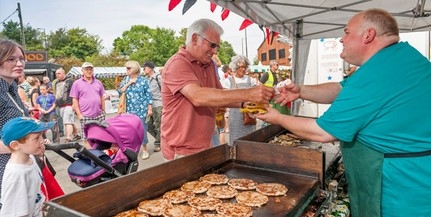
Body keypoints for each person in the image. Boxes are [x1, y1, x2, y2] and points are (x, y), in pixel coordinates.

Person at [256, 8, 431, 217]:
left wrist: (278, 118)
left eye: (347, 32)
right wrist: (301, 91)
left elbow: (322, 132)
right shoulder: (400, 57)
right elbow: (341, 89)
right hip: (417, 178)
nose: (341, 39)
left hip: (398, 189)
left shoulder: (376, 75)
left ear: (368, 35)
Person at [161, 18, 273, 161]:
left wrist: (246, 104)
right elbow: (198, 96)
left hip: (204, 145)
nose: (215, 51)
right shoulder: (178, 64)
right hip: (181, 151)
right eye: (212, 45)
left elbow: (221, 96)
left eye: (217, 47)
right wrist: (249, 93)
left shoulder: (208, 64)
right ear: (195, 38)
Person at [0, 117, 55, 216]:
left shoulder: (31, 158)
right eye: (37, 138)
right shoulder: (16, 175)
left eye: (42, 136)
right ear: (15, 145)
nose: (42, 140)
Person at [0, 39, 30, 207]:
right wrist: (21, 146)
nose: (19, 63)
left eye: (21, 58)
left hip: (19, 166)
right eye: (11, 59)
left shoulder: (12, 90)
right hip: (4, 171)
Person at [118, 60, 152, 159]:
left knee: (142, 130)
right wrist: (129, 83)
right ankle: (133, 150)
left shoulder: (143, 80)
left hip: (142, 110)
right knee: (130, 131)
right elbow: (120, 91)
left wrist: (149, 108)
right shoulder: (125, 79)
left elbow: (148, 95)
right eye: (126, 68)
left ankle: (145, 150)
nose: (127, 70)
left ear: (134, 69)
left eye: (129, 68)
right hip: (129, 111)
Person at [222, 55, 258, 145]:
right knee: (236, 141)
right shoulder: (228, 81)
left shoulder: (251, 80)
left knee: (251, 140)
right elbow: (226, 99)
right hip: (235, 116)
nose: (243, 69)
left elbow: (257, 94)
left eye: (244, 67)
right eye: (241, 67)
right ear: (235, 67)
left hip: (249, 115)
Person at [70, 62, 105, 147]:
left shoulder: (98, 82)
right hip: (85, 115)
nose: (89, 71)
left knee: (100, 136)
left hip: (98, 115)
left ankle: (99, 155)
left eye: (90, 69)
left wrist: (103, 111)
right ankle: (90, 157)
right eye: (86, 69)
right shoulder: (77, 83)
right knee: (86, 138)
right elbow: (75, 99)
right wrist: (79, 114)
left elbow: (102, 97)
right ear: (82, 71)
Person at [55, 67, 80, 143]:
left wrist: (74, 104)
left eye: (59, 73)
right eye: (56, 73)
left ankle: (68, 137)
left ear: (63, 73)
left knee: (67, 121)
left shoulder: (70, 81)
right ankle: (77, 134)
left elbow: (75, 93)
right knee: (70, 120)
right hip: (61, 105)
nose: (57, 75)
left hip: (69, 104)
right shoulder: (57, 83)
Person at [142, 61, 162, 152]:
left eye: (144, 68)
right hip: (148, 105)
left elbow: (165, 90)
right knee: (148, 125)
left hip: (158, 104)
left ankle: (158, 144)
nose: (143, 70)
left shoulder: (158, 77)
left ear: (150, 68)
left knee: (159, 125)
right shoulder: (145, 79)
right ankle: (162, 139)